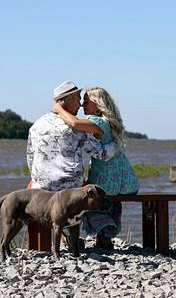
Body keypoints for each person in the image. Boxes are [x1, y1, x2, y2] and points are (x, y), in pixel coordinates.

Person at [27, 81, 117, 249]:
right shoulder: (75, 128)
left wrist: (36, 179)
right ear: (65, 100)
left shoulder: (36, 125)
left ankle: (61, 237)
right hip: (69, 188)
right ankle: (103, 234)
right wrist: (117, 144)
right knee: (97, 192)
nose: (80, 104)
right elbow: (102, 154)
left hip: (40, 188)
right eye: (77, 98)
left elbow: (30, 159)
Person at [52, 86, 139, 249]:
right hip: (128, 183)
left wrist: (58, 109)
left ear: (97, 105)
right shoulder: (112, 123)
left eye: (86, 101)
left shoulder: (96, 121)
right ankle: (105, 237)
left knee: (82, 198)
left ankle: (67, 233)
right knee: (109, 201)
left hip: (107, 183)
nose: (83, 105)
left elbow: (74, 123)